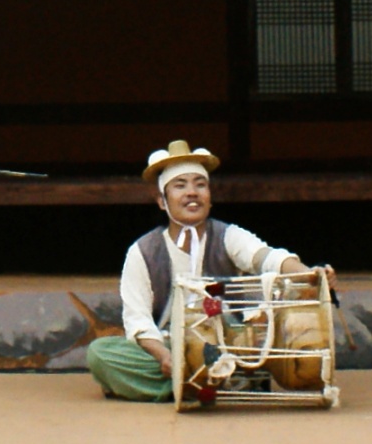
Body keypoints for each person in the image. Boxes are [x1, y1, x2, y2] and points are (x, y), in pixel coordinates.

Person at [84, 141, 315, 402]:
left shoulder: (228, 236)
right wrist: (165, 357)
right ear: (162, 201)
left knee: (255, 339)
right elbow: (138, 321)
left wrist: (309, 273)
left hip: (228, 344)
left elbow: (267, 258)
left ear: (209, 197)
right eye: (180, 185)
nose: (192, 193)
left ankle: (186, 385)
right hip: (172, 347)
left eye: (200, 185)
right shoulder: (142, 252)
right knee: (100, 353)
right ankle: (213, 383)